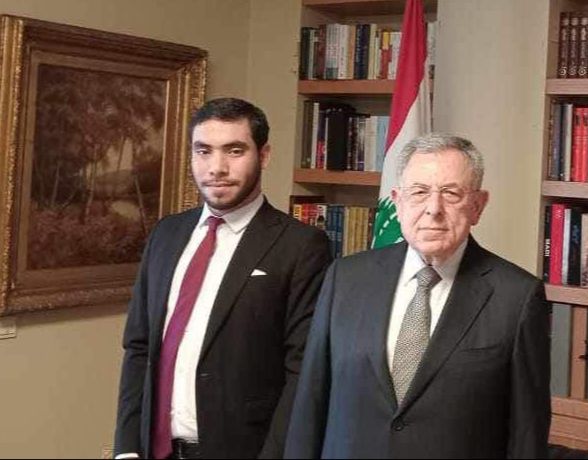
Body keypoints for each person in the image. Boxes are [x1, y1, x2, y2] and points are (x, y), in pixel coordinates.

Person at [285, 133, 551, 459]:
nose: (433, 209)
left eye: (451, 193)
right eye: (419, 192)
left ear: (478, 205)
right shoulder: (345, 278)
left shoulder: (517, 297)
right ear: (397, 202)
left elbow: (527, 435)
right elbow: (310, 404)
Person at [114, 98, 332, 459]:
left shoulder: (301, 246)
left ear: (263, 155)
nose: (216, 168)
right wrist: (126, 448)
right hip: (155, 450)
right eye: (204, 151)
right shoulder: (166, 234)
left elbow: (302, 370)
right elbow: (138, 347)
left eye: (234, 150)